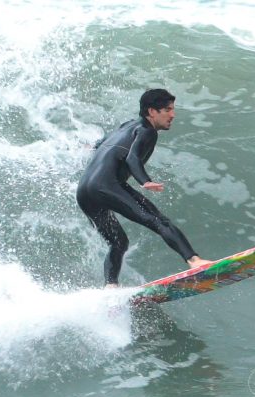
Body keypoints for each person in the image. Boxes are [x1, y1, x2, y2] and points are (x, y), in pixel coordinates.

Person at [77, 88, 212, 288]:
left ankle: (110, 287)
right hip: (106, 185)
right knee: (159, 221)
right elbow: (132, 157)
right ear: (151, 112)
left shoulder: (126, 126)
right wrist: (144, 180)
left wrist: (87, 147)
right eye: (167, 110)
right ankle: (195, 261)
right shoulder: (148, 131)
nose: (172, 115)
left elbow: (100, 145)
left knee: (118, 243)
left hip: (84, 192)